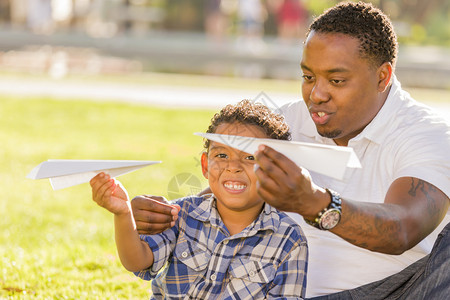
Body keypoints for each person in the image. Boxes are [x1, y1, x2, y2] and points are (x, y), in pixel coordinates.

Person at [130, 2, 450, 299]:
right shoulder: (283, 120)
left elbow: (403, 229)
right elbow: (225, 195)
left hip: (394, 291)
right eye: (308, 76)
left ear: (383, 77)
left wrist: (315, 204)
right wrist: (166, 215)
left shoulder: (428, 132)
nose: (317, 94)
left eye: (336, 81)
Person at [90, 100, 308, 299]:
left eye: (250, 157)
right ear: (205, 165)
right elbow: (137, 260)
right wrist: (123, 214)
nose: (233, 166)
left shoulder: (289, 239)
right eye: (222, 155)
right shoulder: (181, 214)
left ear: (274, 171)